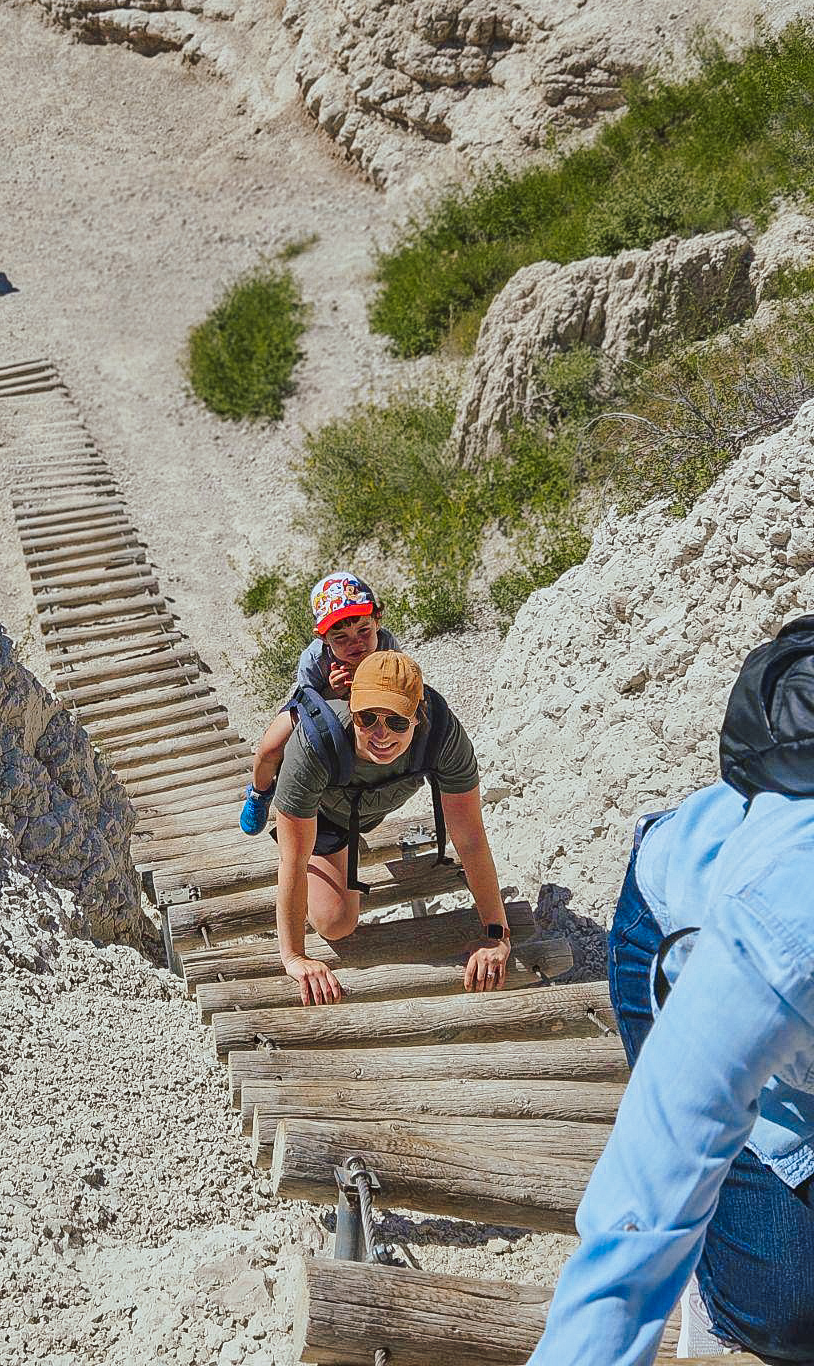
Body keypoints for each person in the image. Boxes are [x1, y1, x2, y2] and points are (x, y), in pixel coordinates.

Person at [529, 615, 814, 1365]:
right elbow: (645, 1199)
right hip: (676, 932)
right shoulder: (787, 925)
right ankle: (717, 1288)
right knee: (790, 1313)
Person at [272, 648, 511, 1004]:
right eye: (367, 719)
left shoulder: (444, 738)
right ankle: (336, 854)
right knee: (335, 924)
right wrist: (294, 957)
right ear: (351, 711)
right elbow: (292, 857)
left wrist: (496, 936)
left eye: (397, 722)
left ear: (418, 716)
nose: (381, 735)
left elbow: (471, 839)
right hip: (323, 819)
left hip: (364, 810)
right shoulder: (315, 744)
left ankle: (349, 846)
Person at [240, 572, 400, 834]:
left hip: (369, 707)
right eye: (341, 638)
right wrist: (332, 691)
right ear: (323, 637)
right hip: (317, 704)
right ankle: (260, 793)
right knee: (270, 747)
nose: (356, 643)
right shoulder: (315, 658)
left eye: (363, 630)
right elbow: (306, 698)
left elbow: (399, 678)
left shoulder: (386, 644)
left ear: (377, 620)